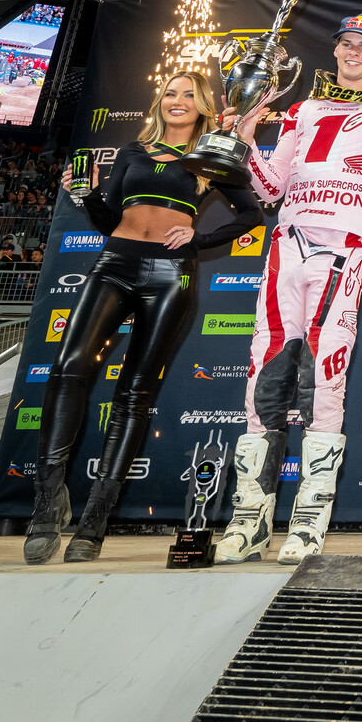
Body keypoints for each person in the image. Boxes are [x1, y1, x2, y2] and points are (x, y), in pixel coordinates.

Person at [213, 13, 362, 565]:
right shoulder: (302, 110)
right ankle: (249, 520)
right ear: (335, 52)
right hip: (286, 246)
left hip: (342, 251)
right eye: (346, 45)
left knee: (323, 376)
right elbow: (268, 187)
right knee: (263, 372)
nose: (354, 52)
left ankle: (309, 523)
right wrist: (243, 137)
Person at [34, 72, 262, 564]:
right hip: (114, 264)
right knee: (68, 369)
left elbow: (252, 216)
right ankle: (46, 503)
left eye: (187, 95)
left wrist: (198, 240)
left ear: (202, 107)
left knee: (134, 392)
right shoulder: (132, 153)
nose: (176, 101)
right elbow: (108, 218)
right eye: (170, 92)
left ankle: (94, 519)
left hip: (171, 275)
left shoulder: (210, 157)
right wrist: (89, 195)